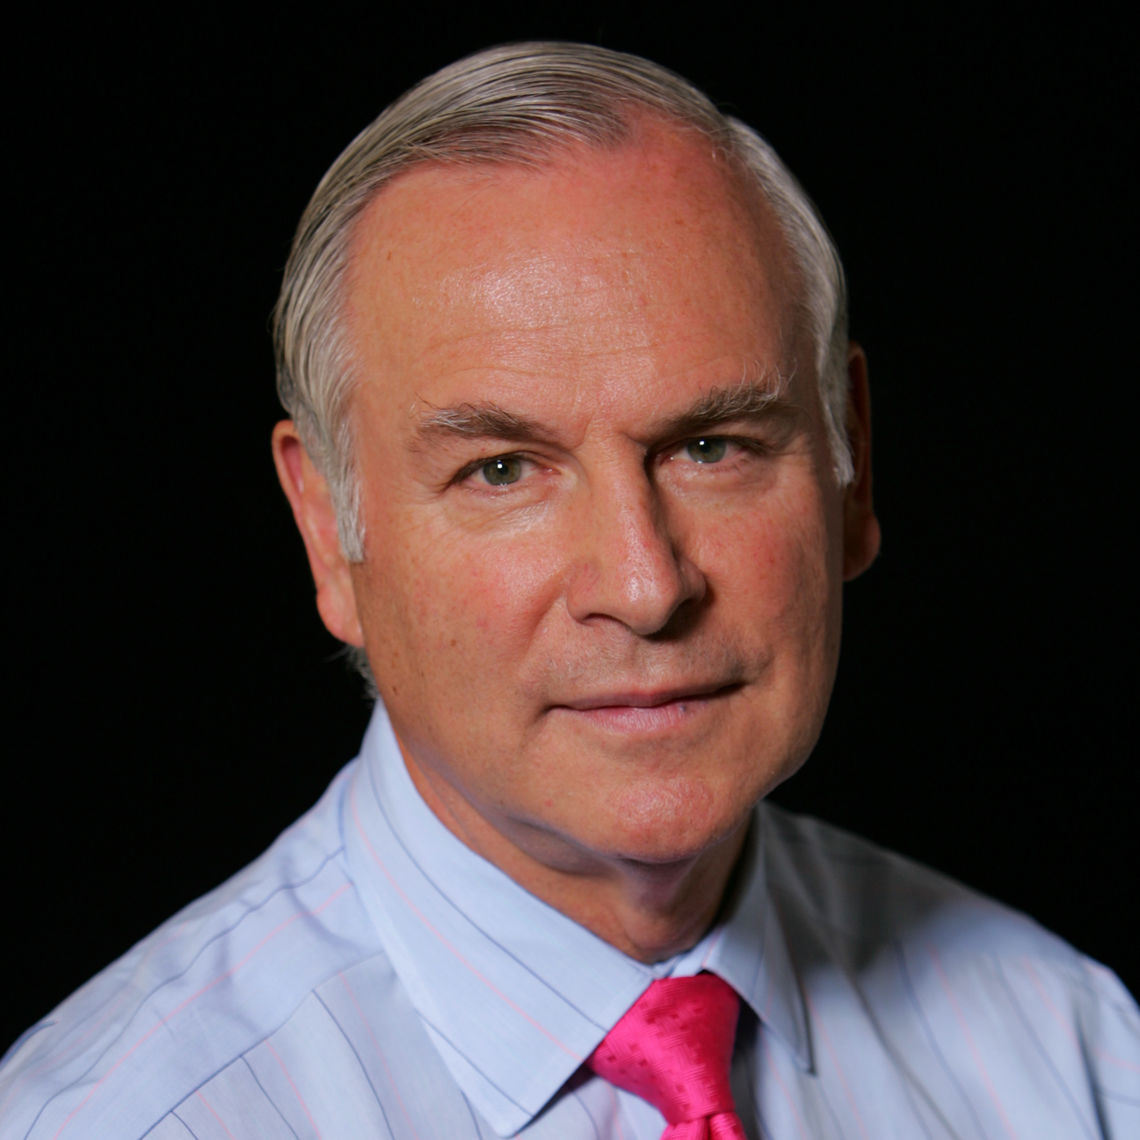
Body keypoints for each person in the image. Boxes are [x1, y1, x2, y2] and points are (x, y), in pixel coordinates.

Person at [2, 41, 1135, 1140]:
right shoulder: (131, 1117)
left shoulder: (1075, 1055)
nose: (646, 588)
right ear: (327, 532)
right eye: (502, 471)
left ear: (852, 464)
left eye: (713, 446)